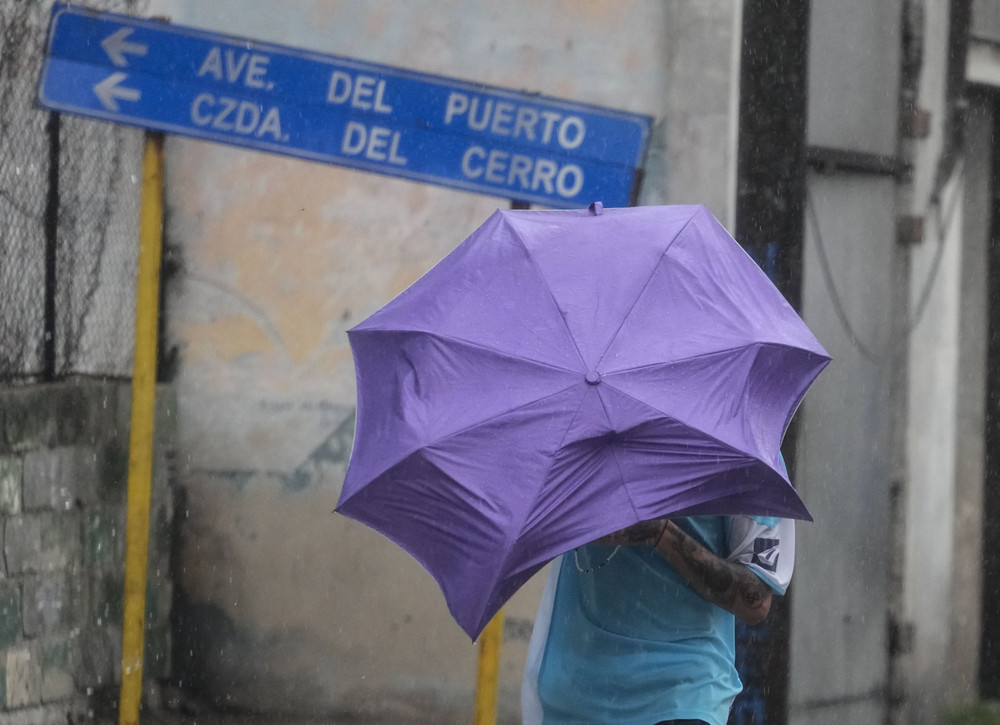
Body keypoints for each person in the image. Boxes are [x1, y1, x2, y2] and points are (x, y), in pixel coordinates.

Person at [521, 514, 794, 725]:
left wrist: (662, 533)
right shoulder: (581, 443)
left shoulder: (746, 450)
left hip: (682, 693)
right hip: (575, 694)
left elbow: (755, 599)